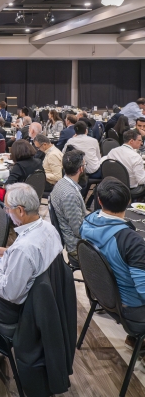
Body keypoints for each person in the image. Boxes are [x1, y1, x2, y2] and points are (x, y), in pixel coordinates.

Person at [0, 183, 62, 328]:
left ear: (20, 210)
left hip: (8, 308)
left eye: (8, 208)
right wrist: (7, 252)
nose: (7, 212)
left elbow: (9, 292)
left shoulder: (24, 249)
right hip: (37, 297)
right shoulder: (49, 228)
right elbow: (33, 260)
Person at [81, 177, 145, 349]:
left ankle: (136, 340)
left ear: (99, 201)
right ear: (129, 202)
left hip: (103, 295)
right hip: (130, 309)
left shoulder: (87, 223)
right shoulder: (130, 241)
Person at [50, 150, 88, 261]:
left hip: (75, 239)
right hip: (77, 247)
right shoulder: (70, 195)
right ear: (81, 169)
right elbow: (78, 230)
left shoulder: (61, 182)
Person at [101, 129, 145, 200]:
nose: (141, 143)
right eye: (140, 140)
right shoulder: (136, 157)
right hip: (129, 188)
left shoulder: (113, 151)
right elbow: (141, 181)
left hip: (112, 185)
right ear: (131, 141)